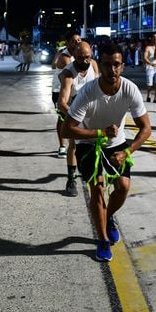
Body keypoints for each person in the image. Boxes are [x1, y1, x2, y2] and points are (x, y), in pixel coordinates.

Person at [62, 43, 151, 262]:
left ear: (122, 65)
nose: (112, 70)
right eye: (107, 65)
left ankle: (107, 216)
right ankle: (102, 240)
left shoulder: (129, 89)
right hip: (89, 142)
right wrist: (99, 132)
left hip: (116, 142)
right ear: (99, 65)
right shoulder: (87, 92)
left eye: (117, 65)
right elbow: (67, 128)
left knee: (123, 187)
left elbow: (146, 128)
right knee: (98, 188)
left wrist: (127, 152)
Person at [58, 41, 99, 197]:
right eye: (81, 58)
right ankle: (71, 180)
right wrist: (77, 117)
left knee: (96, 142)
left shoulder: (93, 65)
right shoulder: (69, 74)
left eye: (87, 57)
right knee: (74, 145)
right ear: (74, 56)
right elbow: (62, 103)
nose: (85, 61)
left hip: (92, 108)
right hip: (74, 109)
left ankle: (93, 172)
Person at [52, 31, 81, 158]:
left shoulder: (78, 54)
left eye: (79, 40)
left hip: (73, 91)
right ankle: (62, 146)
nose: (77, 43)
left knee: (73, 118)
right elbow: (75, 73)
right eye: (74, 41)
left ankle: (74, 144)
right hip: (60, 91)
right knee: (63, 119)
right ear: (68, 42)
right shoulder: (65, 57)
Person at [143, 33, 156, 103]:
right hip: (150, 67)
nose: (155, 39)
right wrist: (150, 63)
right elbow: (145, 57)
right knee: (149, 84)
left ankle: (155, 98)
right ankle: (148, 95)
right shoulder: (148, 47)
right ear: (152, 39)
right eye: (154, 37)